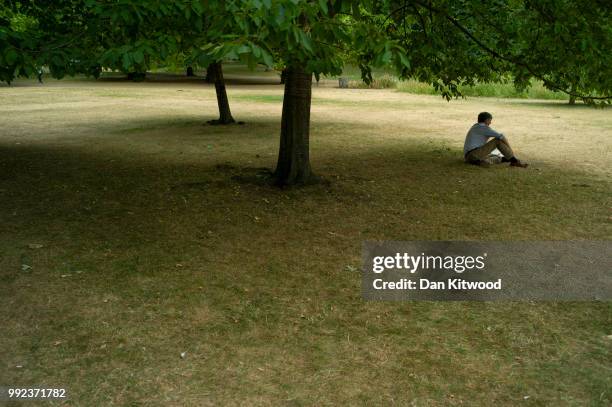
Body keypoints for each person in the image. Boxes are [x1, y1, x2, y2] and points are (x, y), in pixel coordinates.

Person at [463, 112, 528, 168]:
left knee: (494, 155)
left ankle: (505, 159)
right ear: (486, 120)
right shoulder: (484, 128)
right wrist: (510, 149)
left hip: (469, 157)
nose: (490, 122)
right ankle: (514, 161)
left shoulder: (476, 126)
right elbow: (501, 137)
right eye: (489, 120)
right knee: (497, 141)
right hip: (473, 154)